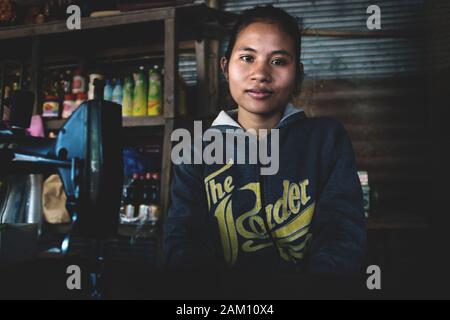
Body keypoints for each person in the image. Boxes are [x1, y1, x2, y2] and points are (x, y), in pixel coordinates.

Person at [164, 5, 366, 276]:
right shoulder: (195, 147)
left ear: (298, 73)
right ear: (225, 67)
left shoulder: (327, 140)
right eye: (247, 58)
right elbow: (182, 238)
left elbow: (342, 236)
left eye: (279, 61)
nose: (260, 74)